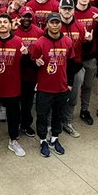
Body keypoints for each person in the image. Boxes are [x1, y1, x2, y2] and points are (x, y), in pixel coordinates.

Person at [0, 14, 26, 158]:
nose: (2, 24)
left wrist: (26, 55)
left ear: (10, 25)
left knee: (14, 116)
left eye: (5, 22)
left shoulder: (18, 41)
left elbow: (26, 64)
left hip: (12, 87)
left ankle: (13, 141)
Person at [29, 14, 73, 157]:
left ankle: (54, 138)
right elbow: (33, 62)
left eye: (57, 23)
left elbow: (71, 63)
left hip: (61, 87)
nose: (55, 25)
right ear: (47, 24)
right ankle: (43, 140)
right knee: (42, 116)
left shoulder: (67, 41)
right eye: (52, 22)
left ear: (61, 24)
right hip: (44, 88)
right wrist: (36, 63)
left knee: (58, 115)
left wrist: (70, 83)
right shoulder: (39, 43)